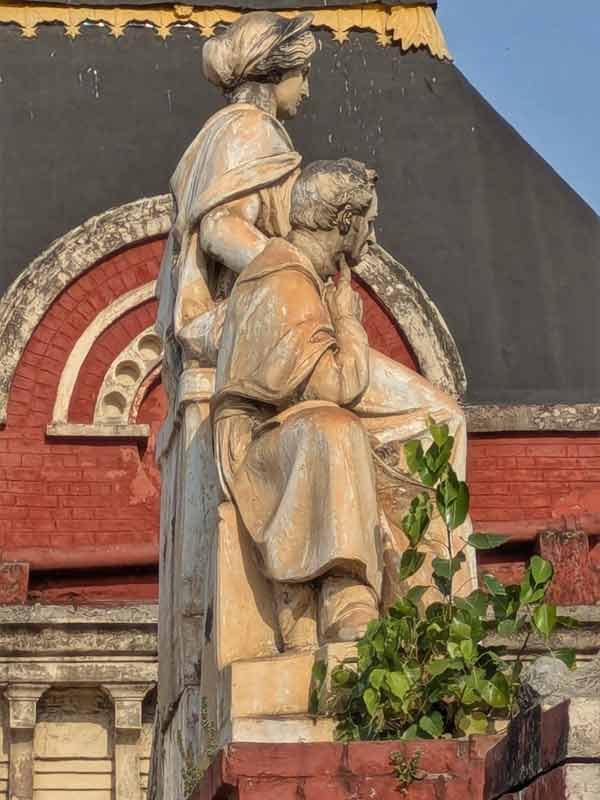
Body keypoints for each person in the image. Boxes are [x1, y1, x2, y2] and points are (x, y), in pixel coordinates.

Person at [212, 159, 475, 651]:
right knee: (335, 427)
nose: (371, 238)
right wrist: (349, 321)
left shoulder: (297, 272)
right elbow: (334, 385)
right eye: (369, 223)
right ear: (346, 222)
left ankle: (429, 593)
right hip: (254, 444)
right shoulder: (285, 278)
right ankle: (342, 593)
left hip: (283, 428)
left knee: (427, 424)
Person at [156, 11, 315, 408]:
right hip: (233, 323)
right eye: (303, 73)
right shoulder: (249, 128)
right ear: (277, 72)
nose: (307, 89)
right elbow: (221, 229)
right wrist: (299, 277)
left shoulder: (217, 132)